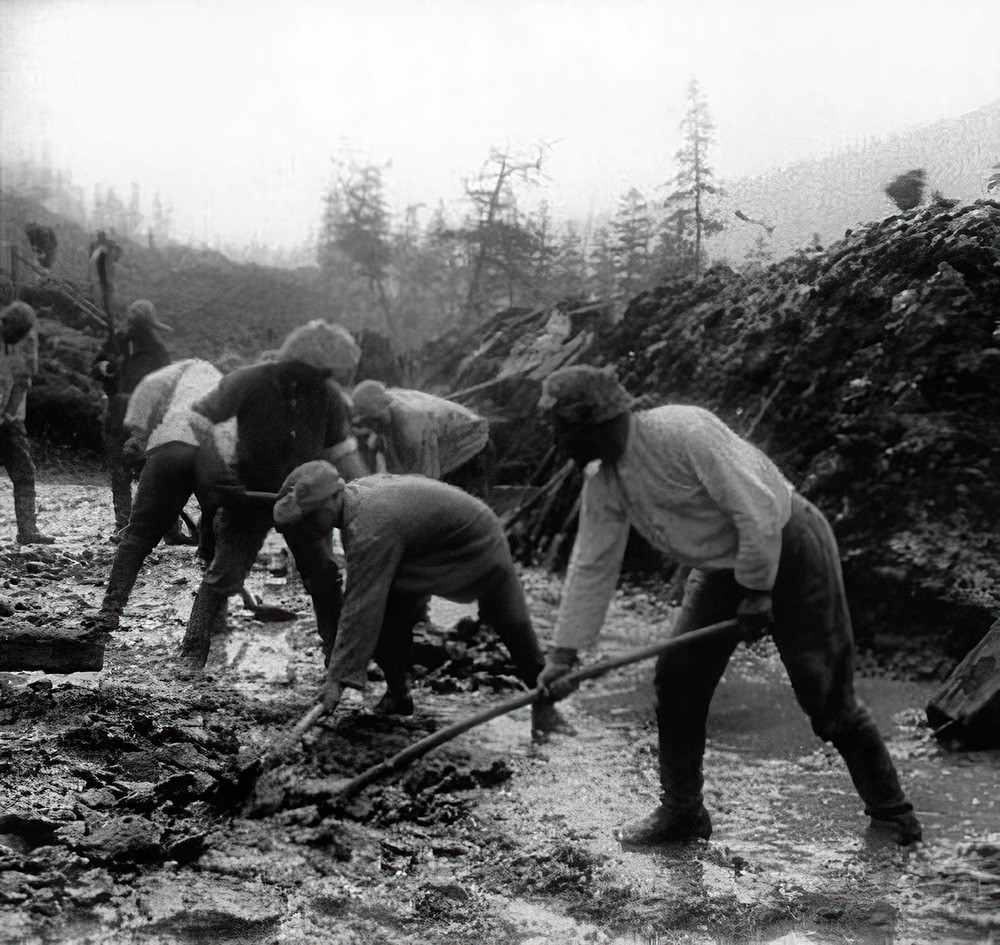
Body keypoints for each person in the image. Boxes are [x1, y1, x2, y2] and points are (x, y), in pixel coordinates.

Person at [535, 365, 922, 846]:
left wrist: (758, 590)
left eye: (567, 436)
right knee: (678, 678)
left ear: (598, 423)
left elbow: (753, 507)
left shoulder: (683, 431)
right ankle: (683, 811)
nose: (564, 449)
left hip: (789, 542)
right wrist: (563, 654)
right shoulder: (604, 482)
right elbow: (592, 565)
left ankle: (893, 817)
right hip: (723, 565)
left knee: (824, 695)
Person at [271, 461, 564, 735]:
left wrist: (337, 678)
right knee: (389, 613)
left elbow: (360, 604)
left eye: (310, 518)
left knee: (510, 621)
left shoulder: (369, 526)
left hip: (475, 542)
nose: (307, 528)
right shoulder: (355, 502)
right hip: (428, 550)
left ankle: (547, 706)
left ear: (332, 499)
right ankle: (398, 696)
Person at [180, 321, 367, 668]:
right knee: (225, 573)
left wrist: (368, 495)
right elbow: (198, 418)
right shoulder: (249, 379)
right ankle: (193, 649)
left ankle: (338, 659)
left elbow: (342, 454)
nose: (321, 378)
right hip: (247, 494)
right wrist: (215, 469)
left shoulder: (328, 396)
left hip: (304, 498)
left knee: (324, 576)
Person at [84, 358, 234, 632]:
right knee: (218, 533)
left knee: (138, 534)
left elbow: (146, 389)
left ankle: (110, 611)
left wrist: (139, 434)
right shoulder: (225, 384)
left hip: (172, 442)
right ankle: (212, 621)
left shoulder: (184, 369)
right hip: (212, 450)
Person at [91, 299, 173, 529]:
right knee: (140, 466)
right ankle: (145, 523)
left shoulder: (149, 344)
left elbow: (165, 380)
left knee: (133, 466)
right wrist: (105, 367)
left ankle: (133, 522)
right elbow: (96, 366)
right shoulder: (120, 340)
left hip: (135, 410)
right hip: (126, 410)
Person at [352, 379, 491, 483]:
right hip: (448, 440)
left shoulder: (410, 423)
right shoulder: (385, 403)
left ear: (379, 411)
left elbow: (426, 477)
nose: (368, 427)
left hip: (472, 445)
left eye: (370, 420)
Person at [0, 302, 53, 544]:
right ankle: (28, 530)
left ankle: (27, 531)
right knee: (23, 472)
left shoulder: (26, 338)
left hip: (11, 421)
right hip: (8, 419)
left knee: (24, 472)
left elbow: (24, 378)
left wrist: (9, 414)